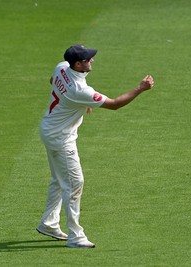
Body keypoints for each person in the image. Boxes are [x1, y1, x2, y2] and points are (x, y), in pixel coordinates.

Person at [36, 44, 155, 248]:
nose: (92, 60)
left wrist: (79, 102)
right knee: (74, 183)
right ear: (78, 64)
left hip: (49, 129)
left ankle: (49, 223)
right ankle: (75, 236)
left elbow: (53, 82)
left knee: (59, 180)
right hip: (60, 138)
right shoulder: (80, 90)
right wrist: (140, 88)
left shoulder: (61, 67)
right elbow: (115, 104)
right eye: (88, 59)